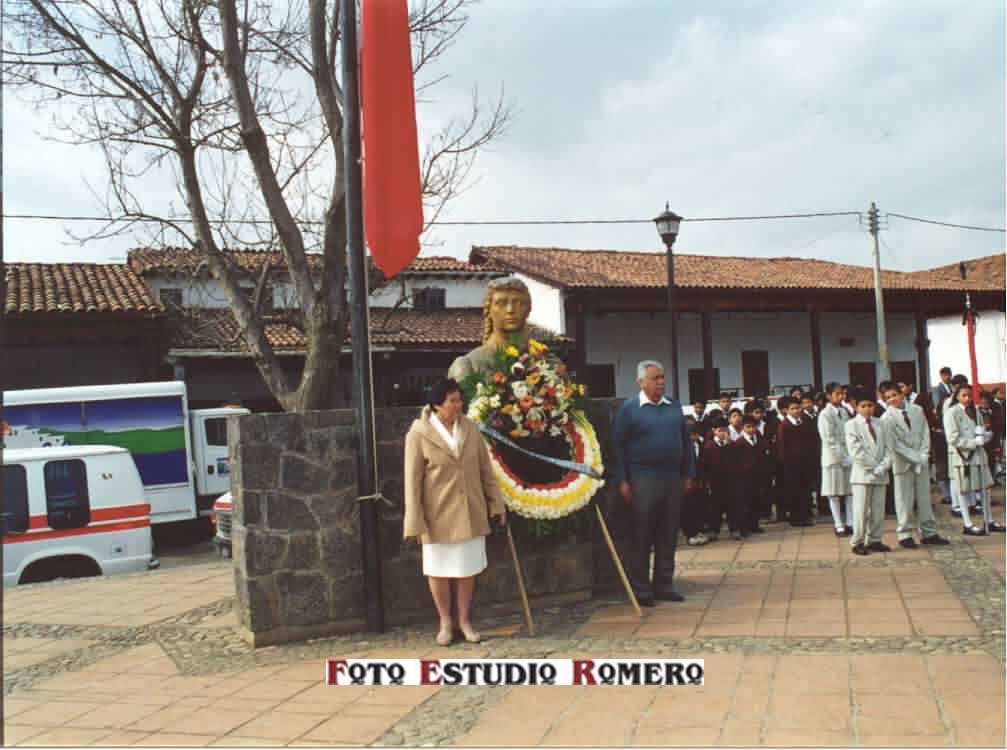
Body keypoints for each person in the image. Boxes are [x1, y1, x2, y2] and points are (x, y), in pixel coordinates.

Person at [403, 378, 508, 646]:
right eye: (452, 401)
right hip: (436, 515)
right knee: (437, 569)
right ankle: (445, 623)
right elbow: (412, 481)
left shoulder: (470, 428)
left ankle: (464, 620)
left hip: (470, 511)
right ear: (437, 405)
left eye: (460, 400)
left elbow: (486, 471)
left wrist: (496, 504)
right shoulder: (418, 433)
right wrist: (413, 521)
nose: (458, 405)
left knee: (466, 568)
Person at [612, 360, 697, 606]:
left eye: (662, 377)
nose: (661, 382)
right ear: (641, 382)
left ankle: (664, 585)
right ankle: (641, 589)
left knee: (668, 532)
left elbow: (686, 442)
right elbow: (618, 447)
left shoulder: (674, 406)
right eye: (655, 378)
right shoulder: (630, 409)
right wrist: (623, 480)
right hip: (642, 477)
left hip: (672, 477)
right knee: (642, 533)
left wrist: (689, 473)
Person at [879, 380, 948, 548]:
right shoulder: (886, 418)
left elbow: (925, 432)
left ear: (902, 394)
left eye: (894, 395)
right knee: (904, 500)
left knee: (924, 498)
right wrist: (916, 457)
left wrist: (924, 453)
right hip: (903, 463)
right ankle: (905, 534)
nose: (892, 399)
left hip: (921, 460)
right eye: (888, 397)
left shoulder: (917, 410)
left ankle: (929, 532)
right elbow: (894, 444)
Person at [944, 385, 1004, 535]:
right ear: (957, 396)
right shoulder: (951, 413)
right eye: (964, 395)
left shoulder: (975, 411)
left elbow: (981, 429)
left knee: (985, 489)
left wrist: (984, 435)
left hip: (978, 455)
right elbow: (952, 438)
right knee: (963, 490)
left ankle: (989, 520)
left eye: (970, 395)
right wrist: (972, 442)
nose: (967, 399)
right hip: (963, 456)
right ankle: (967, 523)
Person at [448, 277, 533, 381]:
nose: (510, 310)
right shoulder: (469, 365)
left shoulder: (545, 362)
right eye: (501, 303)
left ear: (528, 309)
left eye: (519, 303)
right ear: (488, 310)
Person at [845, 390, 893, 555]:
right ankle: (857, 541)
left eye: (870, 405)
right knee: (861, 511)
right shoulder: (851, 425)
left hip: (881, 473)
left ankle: (875, 539)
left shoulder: (881, 423)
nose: (867, 409)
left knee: (878, 510)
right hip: (863, 474)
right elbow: (856, 451)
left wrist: (883, 466)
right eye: (863, 406)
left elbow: (889, 448)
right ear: (856, 407)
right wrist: (874, 466)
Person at [819, 382, 854, 537]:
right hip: (832, 459)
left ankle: (850, 522)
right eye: (837, 394)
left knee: (849, 492)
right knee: (833, 493)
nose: (841, 396)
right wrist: (842, 456)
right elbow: (829, 439)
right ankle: (838, 524)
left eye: (842, 393)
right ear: (829, 396)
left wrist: (850, 455)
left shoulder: (844, 411)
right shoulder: (825, 414)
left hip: (847, 456)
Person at [776, 396, 817, 527]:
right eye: (792, 409)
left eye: (798, 408)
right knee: (794, 491)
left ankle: (805, 516)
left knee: (805, 490)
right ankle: (795, 518)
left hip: (805, 462)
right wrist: (786, 463)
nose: (796, 411)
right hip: (791, 464)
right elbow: (782, 446)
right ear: (787, 410)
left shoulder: (804, 422)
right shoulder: (784, 425)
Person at [734, 415, 768, 537]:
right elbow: (736, 462)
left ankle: (755, 525)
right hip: (744, 477)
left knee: (756, 500)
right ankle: (744, 527)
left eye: (753, 427)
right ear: (743, 427)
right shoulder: (739, 443)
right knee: (745, 503)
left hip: (757, 475)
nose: (751, 429)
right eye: (748, 427)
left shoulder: (760, 440)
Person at [701, 418, 734, 542]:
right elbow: (705, 465)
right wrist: (707, 481)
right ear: (714, 431)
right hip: (715, 481)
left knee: (732, 505)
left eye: (725, 430)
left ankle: (734, 529)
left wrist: (730, 445)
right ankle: (714, 530)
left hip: (729, 480)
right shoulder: (709, 446)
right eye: (720, 430)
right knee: (715, 507)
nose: (723, 433)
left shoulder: (731, 444)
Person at [682, 423, 709, 546]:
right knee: (688, 509)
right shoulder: (682, 448)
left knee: (699, 507)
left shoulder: (701, 446)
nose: (693, 437)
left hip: (700, 482)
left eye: (696, 434)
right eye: (691, 435)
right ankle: (690, 534)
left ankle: (699, 531)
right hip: (687, 482)